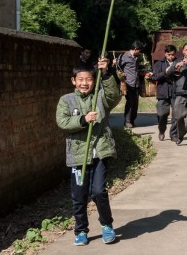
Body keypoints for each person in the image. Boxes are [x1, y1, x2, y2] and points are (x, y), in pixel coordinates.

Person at [55, 58, 122, 246]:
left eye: (89, 79)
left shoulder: (100, 97)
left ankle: (107, 225)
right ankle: (81, 230)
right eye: (81, 79)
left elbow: (114, 96)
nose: (85, 83)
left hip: (100, 153)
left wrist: (107, 74)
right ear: (73, 81)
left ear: (95, 80)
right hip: (77, 157)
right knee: (79, 195)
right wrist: (83, 120)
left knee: (99, 191)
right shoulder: (66, 100)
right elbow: (63, 122)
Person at [149, 45, 178, 141]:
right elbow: (154, 77)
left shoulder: (178, 62)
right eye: (169, 54)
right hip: (163, 92)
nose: (171, 57)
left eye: (173, 55)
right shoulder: (159, 64)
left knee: (176, 115)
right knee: (161, 114)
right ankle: (161, 130)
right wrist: (165, 72)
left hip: (175, 92)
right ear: (165, 54)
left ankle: (173, 134)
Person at [118, 41, 144, 128]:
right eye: (139, 50)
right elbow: (117, 67)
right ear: (135, 49)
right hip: (128, 83)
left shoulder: (136, 57)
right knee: (130, 102)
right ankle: (127, 121)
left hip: (136, 84)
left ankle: (132, 120)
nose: (140, 52)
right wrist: (121, 74)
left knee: (135, 103)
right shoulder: (124, 56)